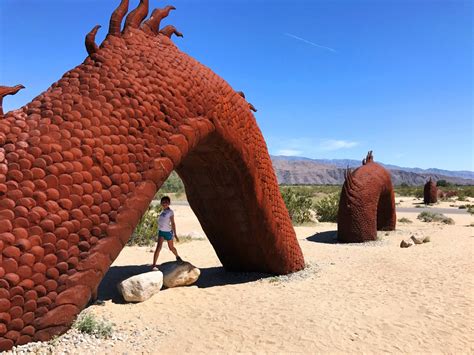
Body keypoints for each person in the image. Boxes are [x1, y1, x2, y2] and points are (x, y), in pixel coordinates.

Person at [152, 196, 183, 270]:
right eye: (163, 202)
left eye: (166, 202)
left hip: (168, 232)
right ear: (161, 203)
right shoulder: (162, 212)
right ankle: (154, 265)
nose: (164, 203)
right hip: (161, 232)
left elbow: (173, 223)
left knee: (171, 248)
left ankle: (177, 256)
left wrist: (175, 234)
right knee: (158, 248)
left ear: (169, 203)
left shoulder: (170, 212)